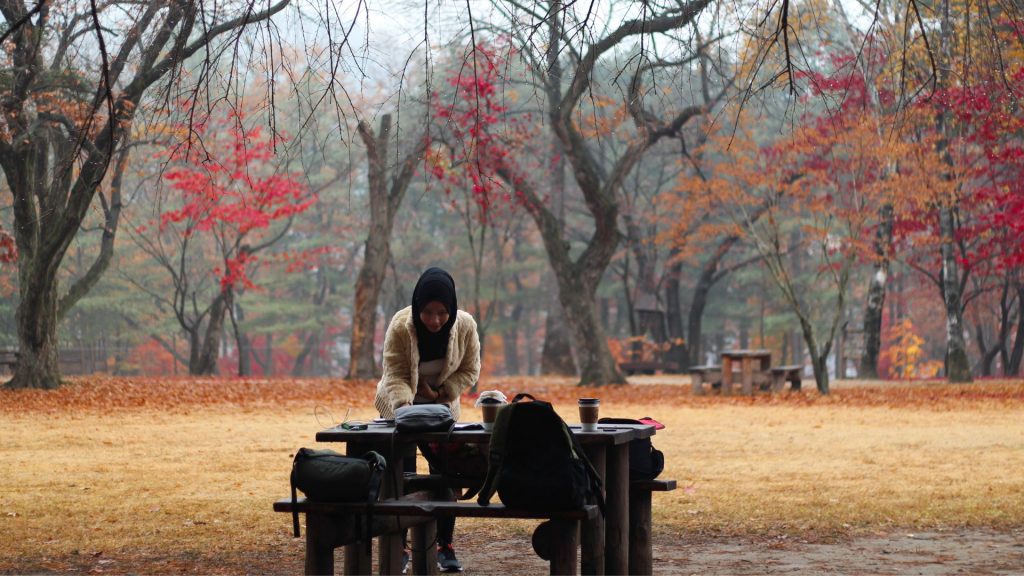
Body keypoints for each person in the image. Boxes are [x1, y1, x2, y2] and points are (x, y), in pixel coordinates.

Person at [374, 267, 480, 572]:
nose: (435, 320)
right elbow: (393, 372)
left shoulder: (465, 326)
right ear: (417, 307)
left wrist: (442, 393)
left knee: (446, 475)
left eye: (442, 312)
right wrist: (407, 408)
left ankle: (444, 545)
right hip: (400, 407)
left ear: (453, 309)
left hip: (442, 409)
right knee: (400, 476)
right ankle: (402, 546)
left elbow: (470, 370)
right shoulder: (400, 325)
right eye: (428, 312)